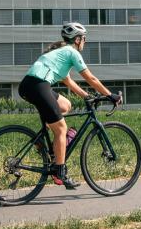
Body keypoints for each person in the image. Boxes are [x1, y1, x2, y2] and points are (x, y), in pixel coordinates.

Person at [18, 22, 122, 189]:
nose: (85, 42)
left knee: (65, 105)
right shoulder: (71, 52)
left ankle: (47, 146)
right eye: (84, 39)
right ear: (78, 39)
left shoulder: (61, 53)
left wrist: (88, 96)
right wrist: (110, 95)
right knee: (61, 129)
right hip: (37, 86)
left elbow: (69, 82)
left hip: (31, 85)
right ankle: (60, 172)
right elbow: (91, 78)